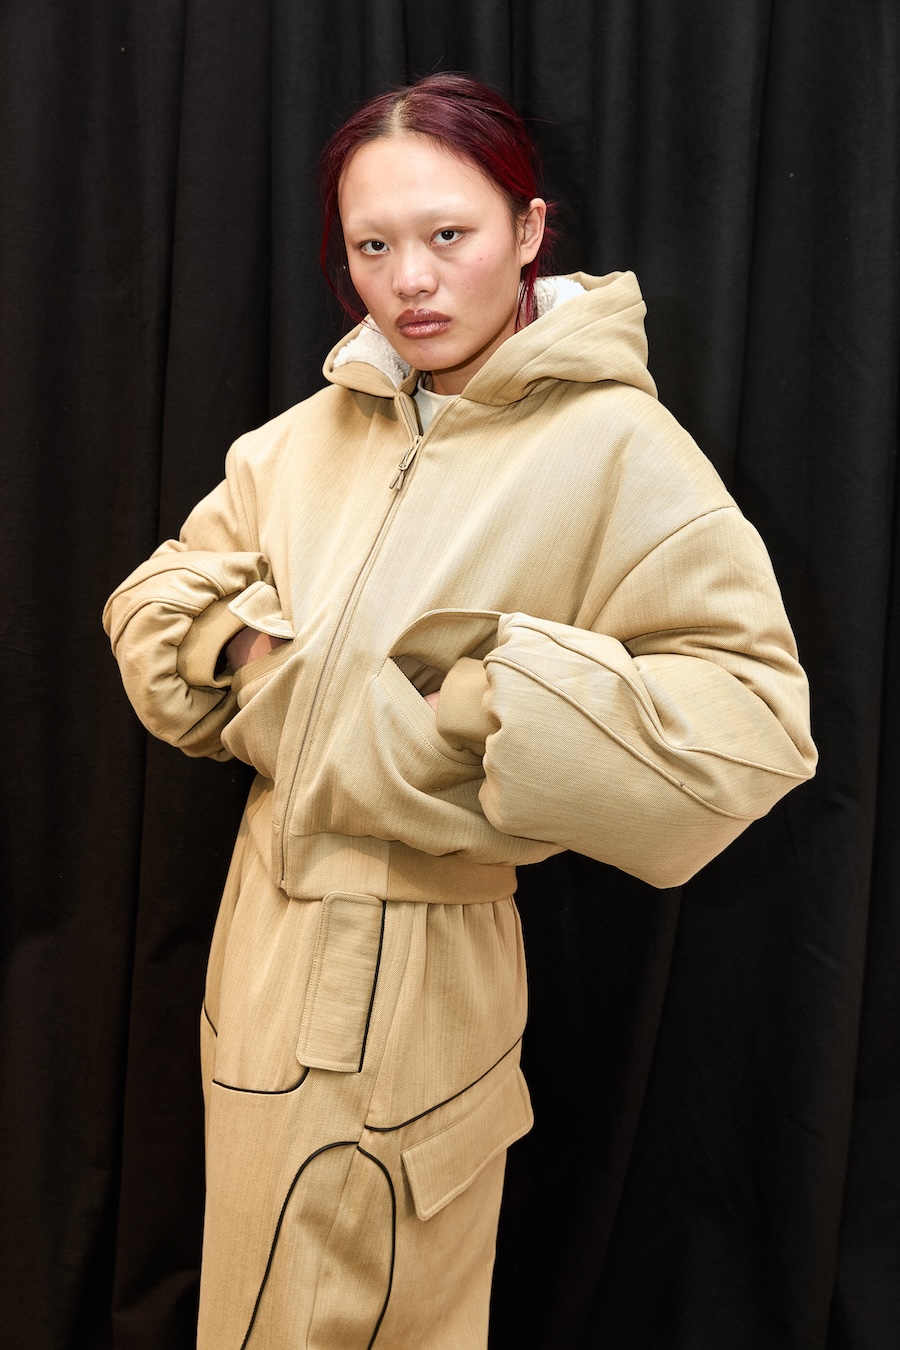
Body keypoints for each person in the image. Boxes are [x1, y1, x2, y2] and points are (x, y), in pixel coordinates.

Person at [103, 73, 817, 1350]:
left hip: (423, 963)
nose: (411, 282)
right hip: (256, 949)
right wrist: (259, 654)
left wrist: (481, 705)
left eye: (449, 234)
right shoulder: (302, 440)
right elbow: (157, 607)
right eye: (372, 247)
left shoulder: (619, 451)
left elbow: (752, 722)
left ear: (530, 229)